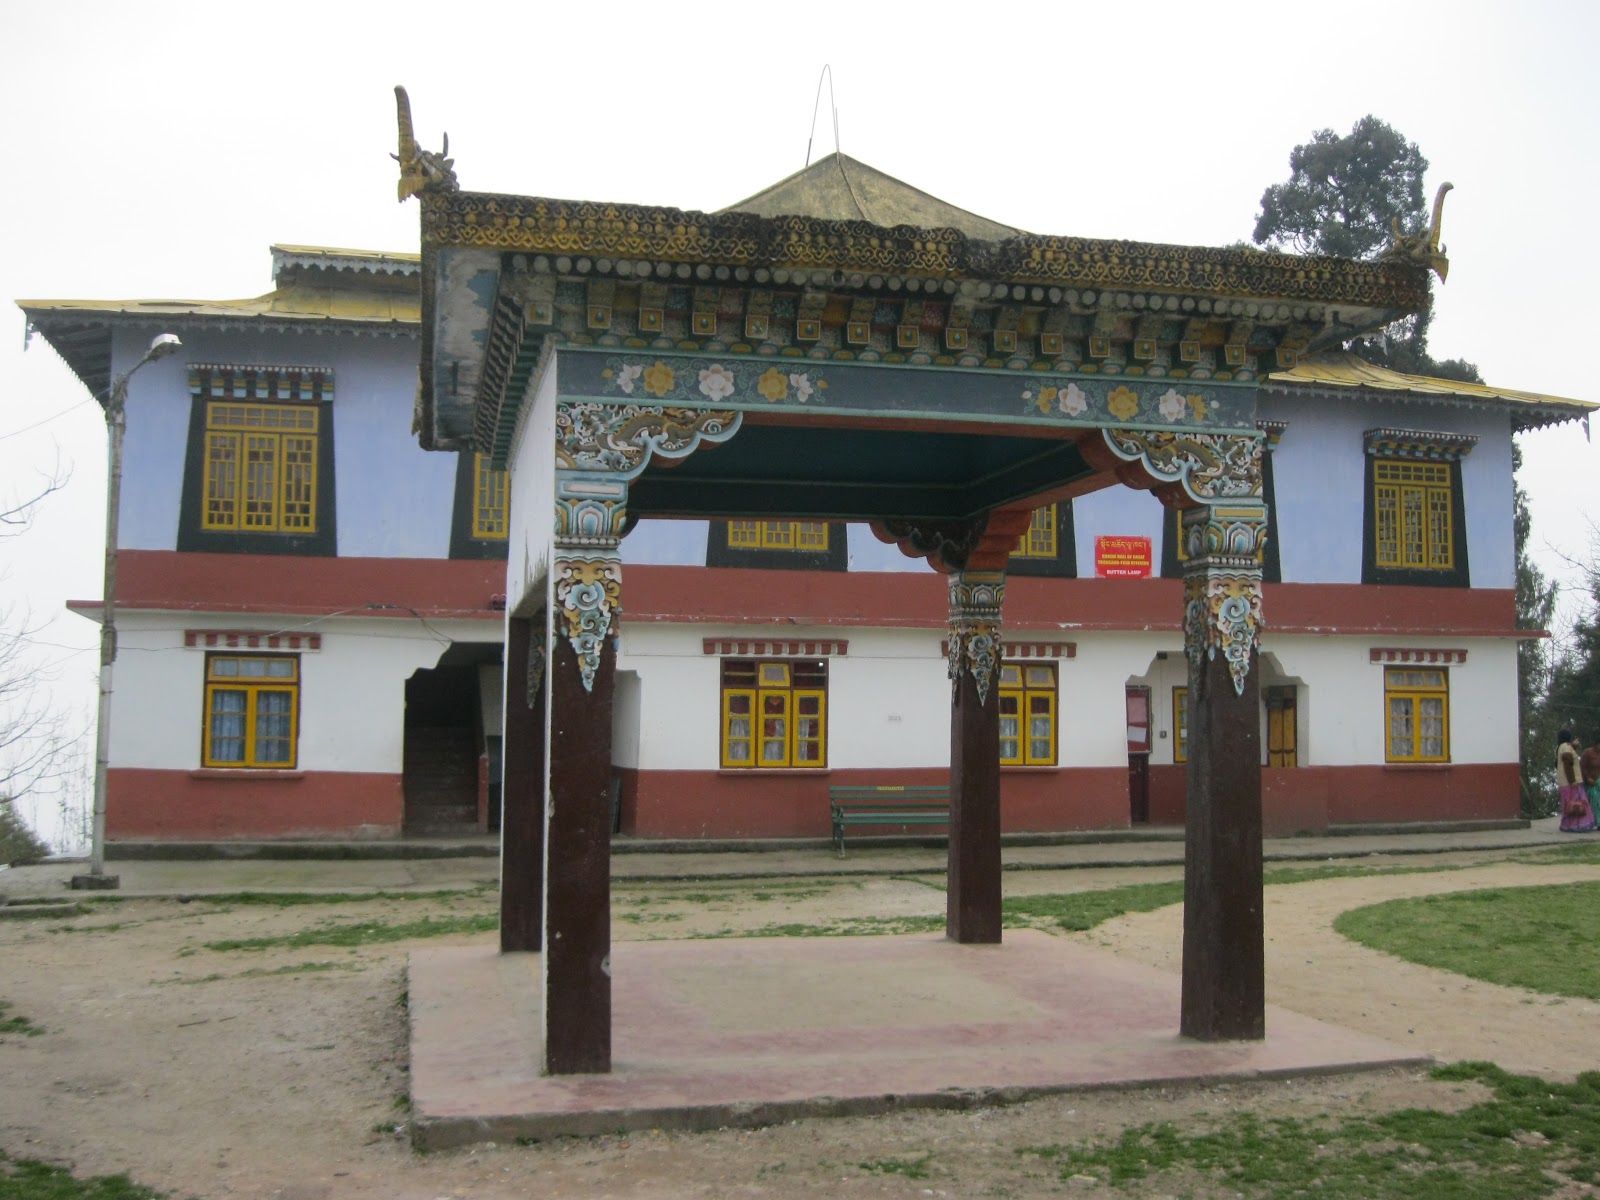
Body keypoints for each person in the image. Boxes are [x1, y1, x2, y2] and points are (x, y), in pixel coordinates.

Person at [1556, 729, 1597, 833]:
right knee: (1577, 804)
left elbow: (1567, 755)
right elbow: (1568, 765)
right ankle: (1578, 825)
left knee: (1569, 804)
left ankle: (1567, 825)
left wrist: (1573, 746)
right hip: (1571, 782)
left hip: (1563, 782)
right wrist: (1572, 780)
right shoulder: (1566, 747)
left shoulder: (1560, 747)